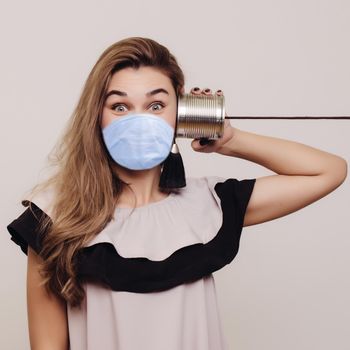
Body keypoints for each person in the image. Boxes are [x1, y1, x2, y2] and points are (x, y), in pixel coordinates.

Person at [6, 36, 347, 350]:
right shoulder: (54, 217)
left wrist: (230, 138)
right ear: (97, 117)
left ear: (180, 116)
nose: (139, 120)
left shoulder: (209, 205)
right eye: (120, 107)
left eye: (156, 106)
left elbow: (328, 171)